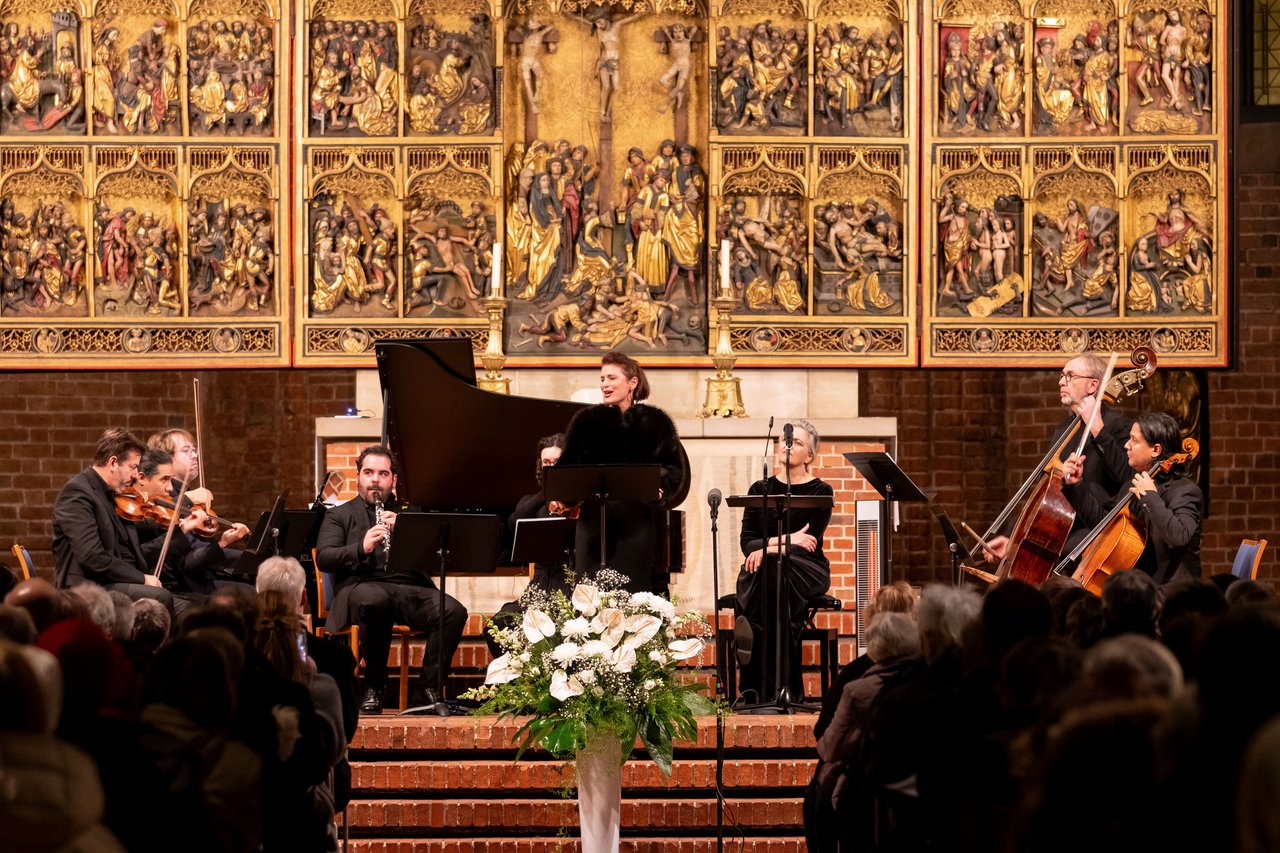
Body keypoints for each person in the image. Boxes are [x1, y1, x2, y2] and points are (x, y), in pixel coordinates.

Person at [314, 444, 468, 714]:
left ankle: (429, 690)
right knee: (375, 601)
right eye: (369, 472)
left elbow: (437, 556)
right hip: (361, 586)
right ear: (359, 475)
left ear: (393, 479)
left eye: (383, 473)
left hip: (410, 587)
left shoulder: (410, 513)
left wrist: (407, 531)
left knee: (453, 611)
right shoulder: (339, 515)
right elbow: (324, 558)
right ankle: (374, 685)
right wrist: (361, 547)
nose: (375, 479)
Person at [558, 351, 690, 593]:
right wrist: (567, 493)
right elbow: (567, 470)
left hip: (635, 524)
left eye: (611, 378)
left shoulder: (655, 421)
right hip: (592, 525)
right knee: (589, 598)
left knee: (633, 596)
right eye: (602, 379)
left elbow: (674, 469)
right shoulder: (586, 421)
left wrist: (659, 490)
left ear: (632, 383)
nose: (605, 385)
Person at [985, 353, 1134, 561]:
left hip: (1096, 527)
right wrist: (1014, 537)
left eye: (1070, 376)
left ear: (1092, 385)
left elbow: (1125, 475)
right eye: (1062, 375)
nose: (1061, 381)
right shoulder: (1064, 428)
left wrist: (1097, 427)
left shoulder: (1117, 426)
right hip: (1062, 527)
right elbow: (1045, 490)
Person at [735, 418, 834, 703]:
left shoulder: (820, 491)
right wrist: (785, 541)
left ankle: (754, 687)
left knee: (772, 572)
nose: (787, 446)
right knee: (774, 578)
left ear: (810, 456)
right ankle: (786, 691)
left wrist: (767, 548)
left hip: (808, 568)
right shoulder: (759, 489)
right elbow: (747, 544)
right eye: (784, 441)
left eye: (797, 443)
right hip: (769, 570)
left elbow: (808, 544)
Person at [1060, 411, 1202, 585]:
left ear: (1156, 450)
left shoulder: (1185, 491)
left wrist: (1150, 497)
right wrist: (1076, 485)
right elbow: (1103, 523)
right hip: (1140, 588)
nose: (1126, 445)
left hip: (1173, 593)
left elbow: (1178, 537)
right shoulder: (1133, 483)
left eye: (1134, 440)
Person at [51, 428, 177, 614]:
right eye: (133, 467)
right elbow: (92, 556)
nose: (136, 475)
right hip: (86, 588)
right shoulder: (78, 493)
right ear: (113, 463)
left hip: (108, 582)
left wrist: (175, 523)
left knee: (168, 594)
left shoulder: (111, 493)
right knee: (161, 597)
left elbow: (133, 529)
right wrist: (142, 578)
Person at [485, 434, 568, 658]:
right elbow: (515, 522)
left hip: (569, 588)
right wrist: (548, 492)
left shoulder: (579, 504)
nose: (551, 467)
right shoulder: (534, 503)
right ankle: (518, 683)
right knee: (499, 626)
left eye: (557, 462)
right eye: (546, 463)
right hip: (539, 589)